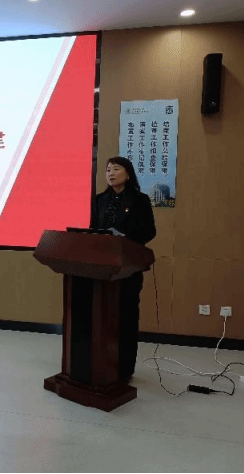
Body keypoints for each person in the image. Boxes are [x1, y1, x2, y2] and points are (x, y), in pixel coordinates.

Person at [90, 156, 156, 380]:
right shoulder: (99, 200)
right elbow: (92, 229)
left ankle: (125, 369)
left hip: (127, 267)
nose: (111, 173)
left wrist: (125, 237)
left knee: (126, 318)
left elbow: (149, 231)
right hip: (101, 268)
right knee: (101, 317)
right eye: (108, 169)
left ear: (128, 174)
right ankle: (100, 364)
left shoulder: (139, 200)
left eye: (116, 169)